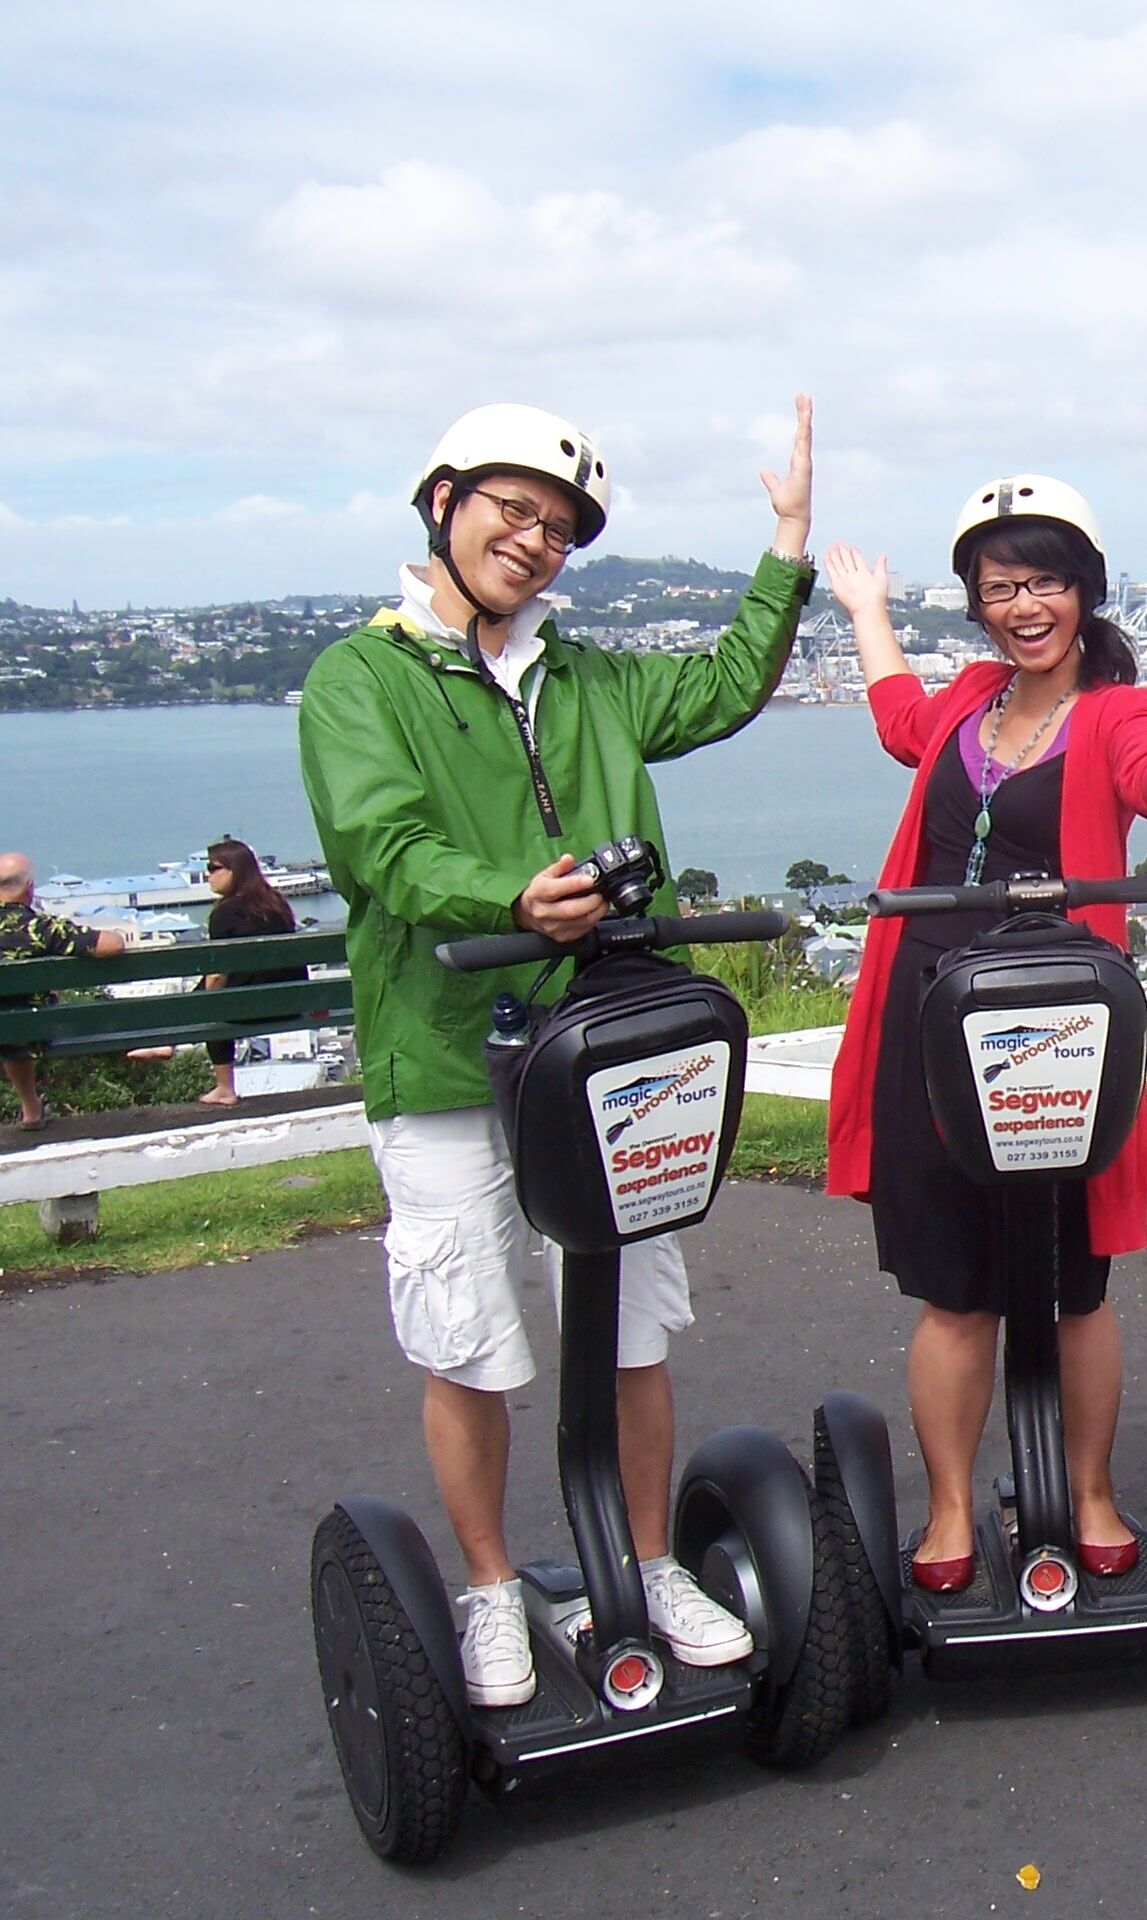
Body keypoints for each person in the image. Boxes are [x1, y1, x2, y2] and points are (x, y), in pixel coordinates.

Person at [298, 397, 817, 1707]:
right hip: (447, 1054)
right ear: (442, 504)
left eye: (559, 528)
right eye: (510, 510)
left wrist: (787, 548)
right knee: (469, 1337)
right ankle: (486, 1592)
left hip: (605, 1050)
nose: (532, 541)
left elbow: (719, 687)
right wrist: (514, 898)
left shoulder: (590, 679)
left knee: (634, 1325)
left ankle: (646, 1568)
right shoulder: (361, 679)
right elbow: (383, 847)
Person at [822, 475, 1147, 1592]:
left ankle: (1093, 1490)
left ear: (1085, 593)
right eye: (1000, 587)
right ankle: (953, 1509)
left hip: (1058, 1021)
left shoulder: (1118, 708)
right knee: (954, 1284)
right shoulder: (969, 697)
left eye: (1046, 584)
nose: (1024, 607)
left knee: (1074, 1282)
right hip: (929, 1008)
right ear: (976, 603)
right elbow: (894, 717)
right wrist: (867, 610)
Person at [0, 852, 126, 1130]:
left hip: (11, 1030)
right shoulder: (40, 928)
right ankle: (31, 1108)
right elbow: (112, 945)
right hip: (27, 1029)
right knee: (22, 1020)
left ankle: (31, 1107)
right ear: (30, 888)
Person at [196, 837, 300, 1107]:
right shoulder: (277, 904)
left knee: (212, 1006)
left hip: (250, 1009)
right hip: (292, 1003)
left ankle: (224, 1088)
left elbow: (217, 974)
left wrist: (201, 999)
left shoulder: (225, 913)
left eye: (214, 868)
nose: (208, 875)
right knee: (214, 994)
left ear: (235, 870)